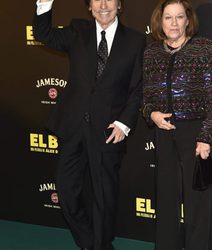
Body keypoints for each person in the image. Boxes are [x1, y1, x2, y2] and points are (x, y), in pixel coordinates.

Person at [33, 0, 146, 249]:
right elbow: (43, 34)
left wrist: (124, 123)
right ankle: (89, 242)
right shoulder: (77, 30)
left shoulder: (136, 41)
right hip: (73, 127)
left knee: (104, 196)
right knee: (65, 189)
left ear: (119, 5)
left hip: (108, 130)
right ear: (89, 6)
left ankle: (101, 244)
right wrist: (44, 3)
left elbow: (138, 88)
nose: (103, 4)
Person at [142, 0, 212, 250]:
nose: (174, 23)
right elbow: (146, 97)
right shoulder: (151, 53)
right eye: (168, 18)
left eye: (179, 17)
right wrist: (152, 114)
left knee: (197, 203)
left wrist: (205, 137)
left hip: (195, 133)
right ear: (160, 21)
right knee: (165, 199)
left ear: (188, 20)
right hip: (164, 132)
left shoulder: (204, 48)